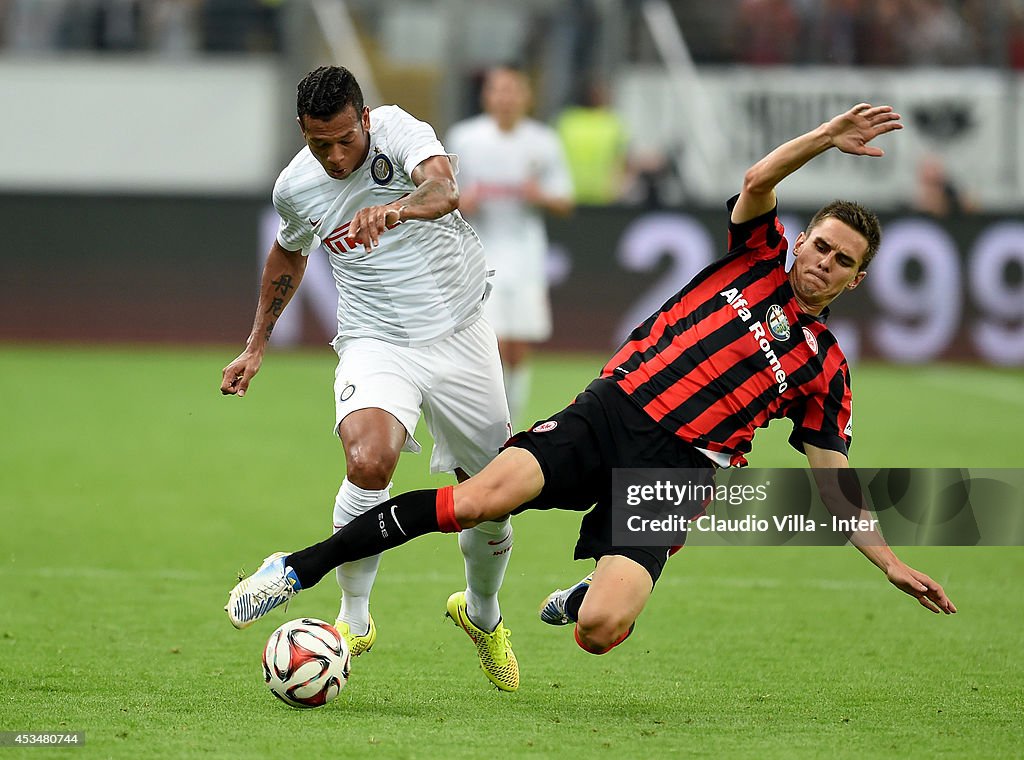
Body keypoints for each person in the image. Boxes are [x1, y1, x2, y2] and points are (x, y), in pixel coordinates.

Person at [226, 103, 957, 660]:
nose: (823, 261)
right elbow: (758, 178)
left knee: (601, 634)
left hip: (676, 472)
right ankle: (298, 567)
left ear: (856, 280)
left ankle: (587, 594)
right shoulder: (756, 256)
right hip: (611, 411)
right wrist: (827, 135)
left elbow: (833, 479)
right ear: (801, 240)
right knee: (480, 499)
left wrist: (889, 561)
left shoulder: (826, 368)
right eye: (821, 244)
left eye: (841, 260)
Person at [220, 65, 520, 691]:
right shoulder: (296, 187)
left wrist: (396, 210)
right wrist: (255, 347)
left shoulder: (398, 130)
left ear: (363, 119)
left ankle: (482, 612)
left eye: (343, 140)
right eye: (316, 143)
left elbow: (444, 193)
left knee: (493, 496)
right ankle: (353, 620)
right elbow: (288, 253)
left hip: (461, 331)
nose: (333, 156)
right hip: (375, 339)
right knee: (368, 459)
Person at [446, 65, 574, 426]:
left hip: (526, 254)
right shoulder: (464, 139)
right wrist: (461, 201)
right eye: (498, 90)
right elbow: (441, 196)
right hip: (479, 253)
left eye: (512, 90)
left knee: (518, 347)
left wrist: (540, 196)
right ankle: (491, 419)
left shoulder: (543, 141)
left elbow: (566, 202)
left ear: (526, 96)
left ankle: (510, 421)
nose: (505, 98)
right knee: (491, 342)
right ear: (487, 96)